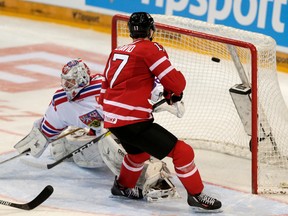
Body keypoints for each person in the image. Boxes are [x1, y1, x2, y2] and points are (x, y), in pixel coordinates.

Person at [99, 12, 222, 211]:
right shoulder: (151, 48)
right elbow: (176, 82)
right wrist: (174, 91)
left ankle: (122, 186)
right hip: (132, 120)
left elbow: (105, 89)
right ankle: (196, 196)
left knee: (138, 155)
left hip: (113, 119)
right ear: (151, 30)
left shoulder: (118, 51)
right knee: (183, 152)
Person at [13, 58, 181, 201]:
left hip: (123, 131)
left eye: (70, 81)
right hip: (98, 139)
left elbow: (140, 85)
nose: (66, 86)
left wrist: (163, 93)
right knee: (70, 146)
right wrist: (31, 145)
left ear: (82, 79)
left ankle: (143, 176)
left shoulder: (104, 85)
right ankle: (70, 146)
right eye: (64, 81)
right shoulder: (60, 101)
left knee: (111, 134)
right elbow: (46, 130)